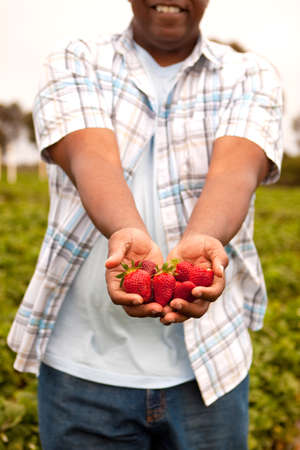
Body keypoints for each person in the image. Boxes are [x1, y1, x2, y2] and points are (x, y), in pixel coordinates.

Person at [7, 0, 283, 448]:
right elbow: (89, 155)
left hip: (211, 369)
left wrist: (204, 238)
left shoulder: (249, 75)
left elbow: (237, 169)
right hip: (82, 372)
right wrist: (124, 229)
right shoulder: (75, 59)